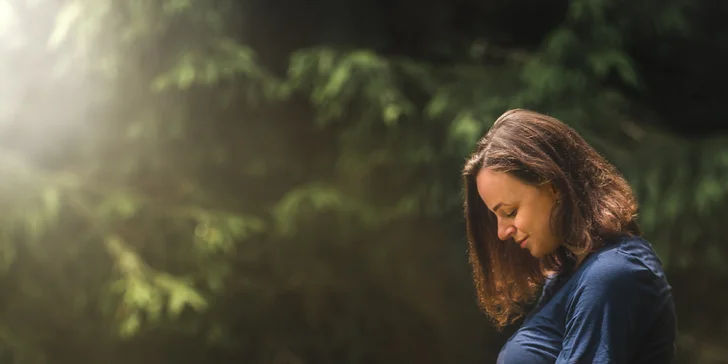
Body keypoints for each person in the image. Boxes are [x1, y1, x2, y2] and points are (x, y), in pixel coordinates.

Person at [462, 109, 677, 363]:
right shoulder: (569, 274)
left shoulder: (611, 274)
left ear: (553, 186)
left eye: (509, 212)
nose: (501, 232)